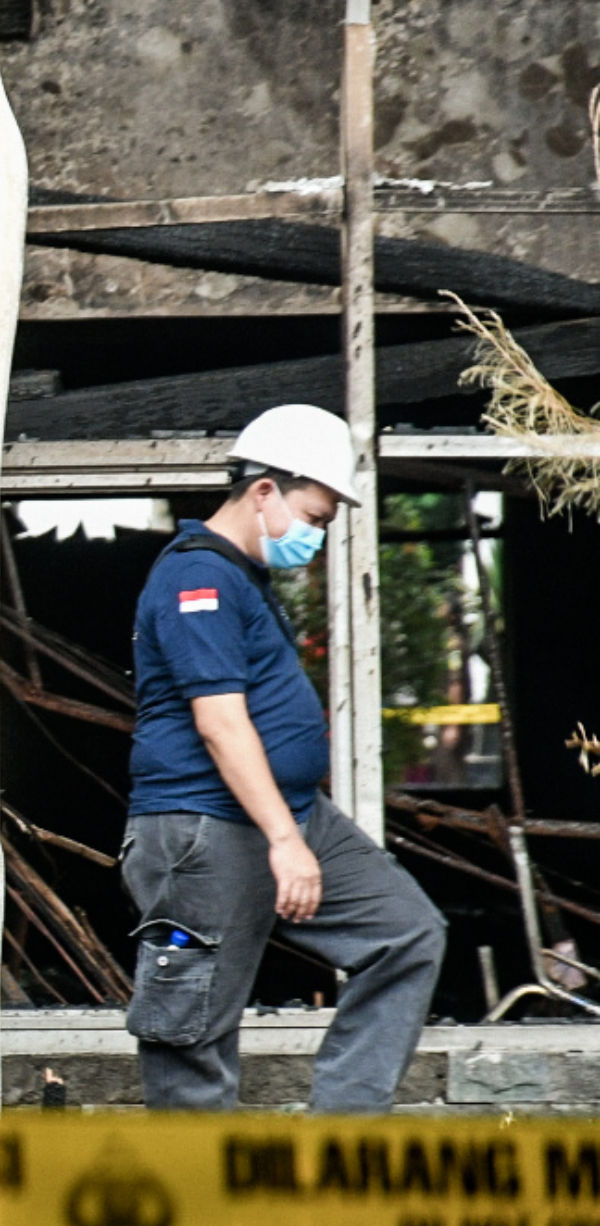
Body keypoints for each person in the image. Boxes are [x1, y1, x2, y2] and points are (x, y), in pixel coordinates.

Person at [123, 403, 444, 1110]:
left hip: (288, 812)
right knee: (193, 1031)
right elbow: (220, 722)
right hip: (205, 827)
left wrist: (294, 829)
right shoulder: (195, 581)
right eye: (316, 516)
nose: (318, 536)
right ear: (264, 490)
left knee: (406, 933)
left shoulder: (244, 579)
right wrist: (284, 840)